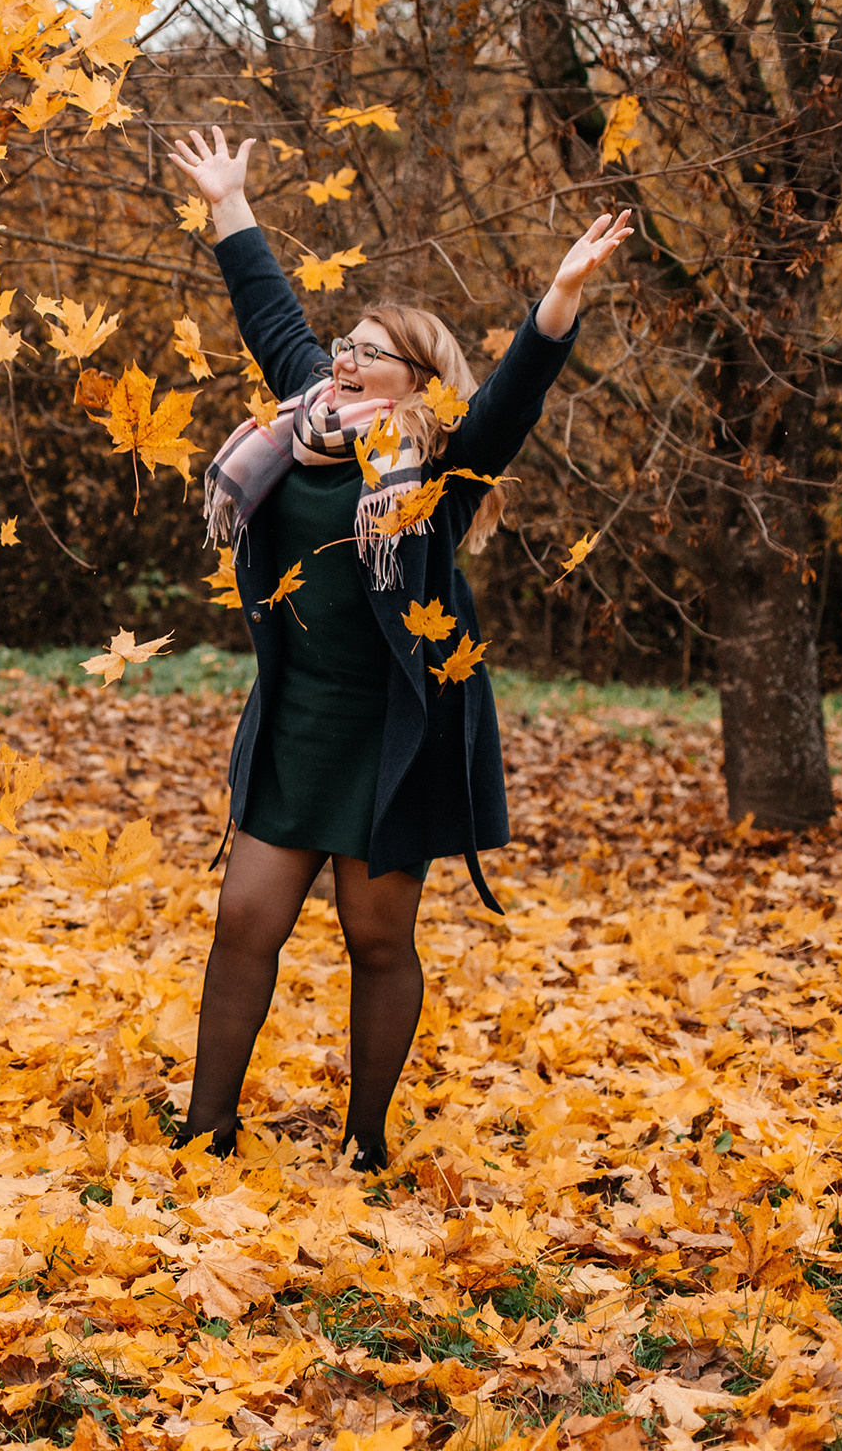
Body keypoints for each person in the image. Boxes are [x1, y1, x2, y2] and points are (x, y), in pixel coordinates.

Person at [167, 128, 632, 1173]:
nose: (343, 355)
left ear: (418, 380)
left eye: (370, 348)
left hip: (395, 733)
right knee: (245, 919)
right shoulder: (302, 418)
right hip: (297, 719)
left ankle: (366, 1145)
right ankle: (207, 1129)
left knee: (376, 940)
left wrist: (558, 299)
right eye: (348, 340)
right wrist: (230, 204)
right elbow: (271, 313)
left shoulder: (440, 467)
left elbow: (514, 399)